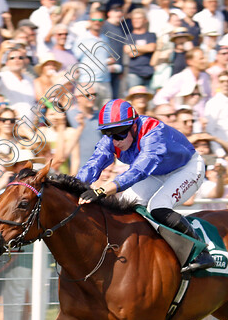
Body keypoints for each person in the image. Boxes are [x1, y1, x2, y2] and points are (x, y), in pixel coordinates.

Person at [77, 98, 215, 273]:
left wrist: (102, 190)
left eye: (119, 133)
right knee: (124, 205)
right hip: (157, 173)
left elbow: (139, 171)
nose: (115, 141)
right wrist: (74, 186)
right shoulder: (112, 139)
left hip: (187, 168)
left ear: (134, 126)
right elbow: (94, 164)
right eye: (108, 133)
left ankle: (201, 251)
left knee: (158, 207)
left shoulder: (153, 133)